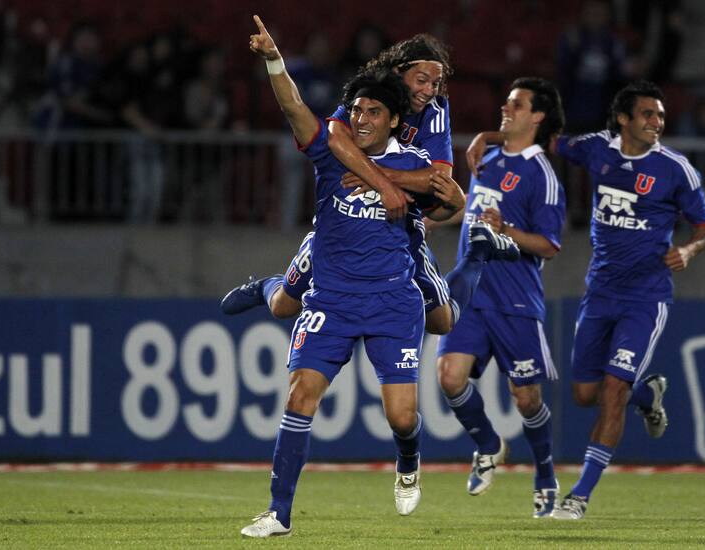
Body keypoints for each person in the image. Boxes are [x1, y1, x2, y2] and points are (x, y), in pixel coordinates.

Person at [239, 16, 512, 539]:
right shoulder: (331, 144)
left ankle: (408, 460)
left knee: (403, 415)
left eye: (373, 113)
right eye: (357, 111)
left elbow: (452, 197)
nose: (361, 119)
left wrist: (398, 187)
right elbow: (294, 106)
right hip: (332, 297)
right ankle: (278, 513)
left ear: (393, 122)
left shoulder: (417, 151)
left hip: (392, 298)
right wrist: (274, 58)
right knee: (300, 396)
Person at [222, 33, 519, 335]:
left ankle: (476, 253)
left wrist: (382, 181)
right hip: (339, 235)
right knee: (283, 306)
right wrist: (274, 61)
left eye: (435, 83)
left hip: (398, 234)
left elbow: (439, 181)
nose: (429, 90)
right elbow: (332, 136)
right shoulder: (368, 96)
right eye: (421, 80)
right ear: (398, 72)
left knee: (442, 323)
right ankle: (265, 287)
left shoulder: (435, 111)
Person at [545, 81, 705, 519]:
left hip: (646, 296)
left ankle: (579, 495)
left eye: (660, 116)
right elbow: (550, 141)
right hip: (600, 292)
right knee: (586, 394)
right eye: (647, 115)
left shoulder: (676, 169)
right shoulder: (597, 149)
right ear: (623, 119)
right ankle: (648, 394)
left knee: (613, 390)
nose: (657, 123)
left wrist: (690, 250)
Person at [435, 77, 566, 518]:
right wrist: (430, 221)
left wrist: (506, 230)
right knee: (449, 377)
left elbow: (550, 245)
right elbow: (469, 211)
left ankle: (545, 473)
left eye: (517, 104)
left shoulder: (542, 175)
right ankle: (489, 445)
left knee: (526, 399)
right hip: (472, 295)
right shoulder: (487, 158)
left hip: (514, 300)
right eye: (507, 102)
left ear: (538, 116)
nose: (506, 109)